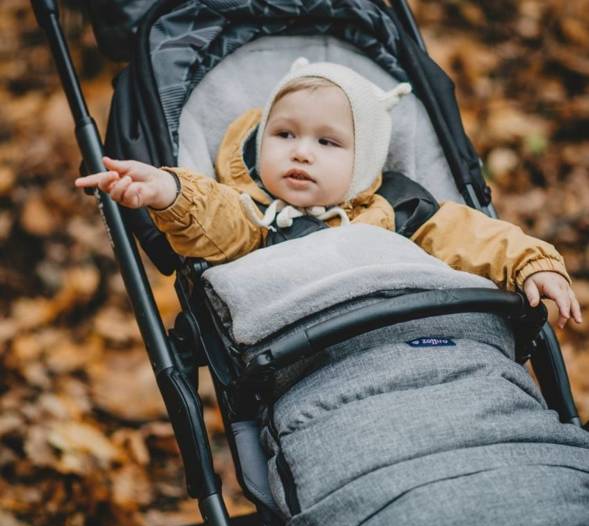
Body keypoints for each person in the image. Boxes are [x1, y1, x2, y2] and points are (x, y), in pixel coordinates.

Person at [75, 58, 582, 329]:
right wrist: (167, 190)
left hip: (416, 329)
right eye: (285, 135)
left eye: (327, 142)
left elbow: (476, 235)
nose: (301, 153)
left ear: (363, 162)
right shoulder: (254, 216)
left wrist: (532, 262)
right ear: (260, 139)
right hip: (305, 347)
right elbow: (214, 221)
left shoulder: (400, 209)